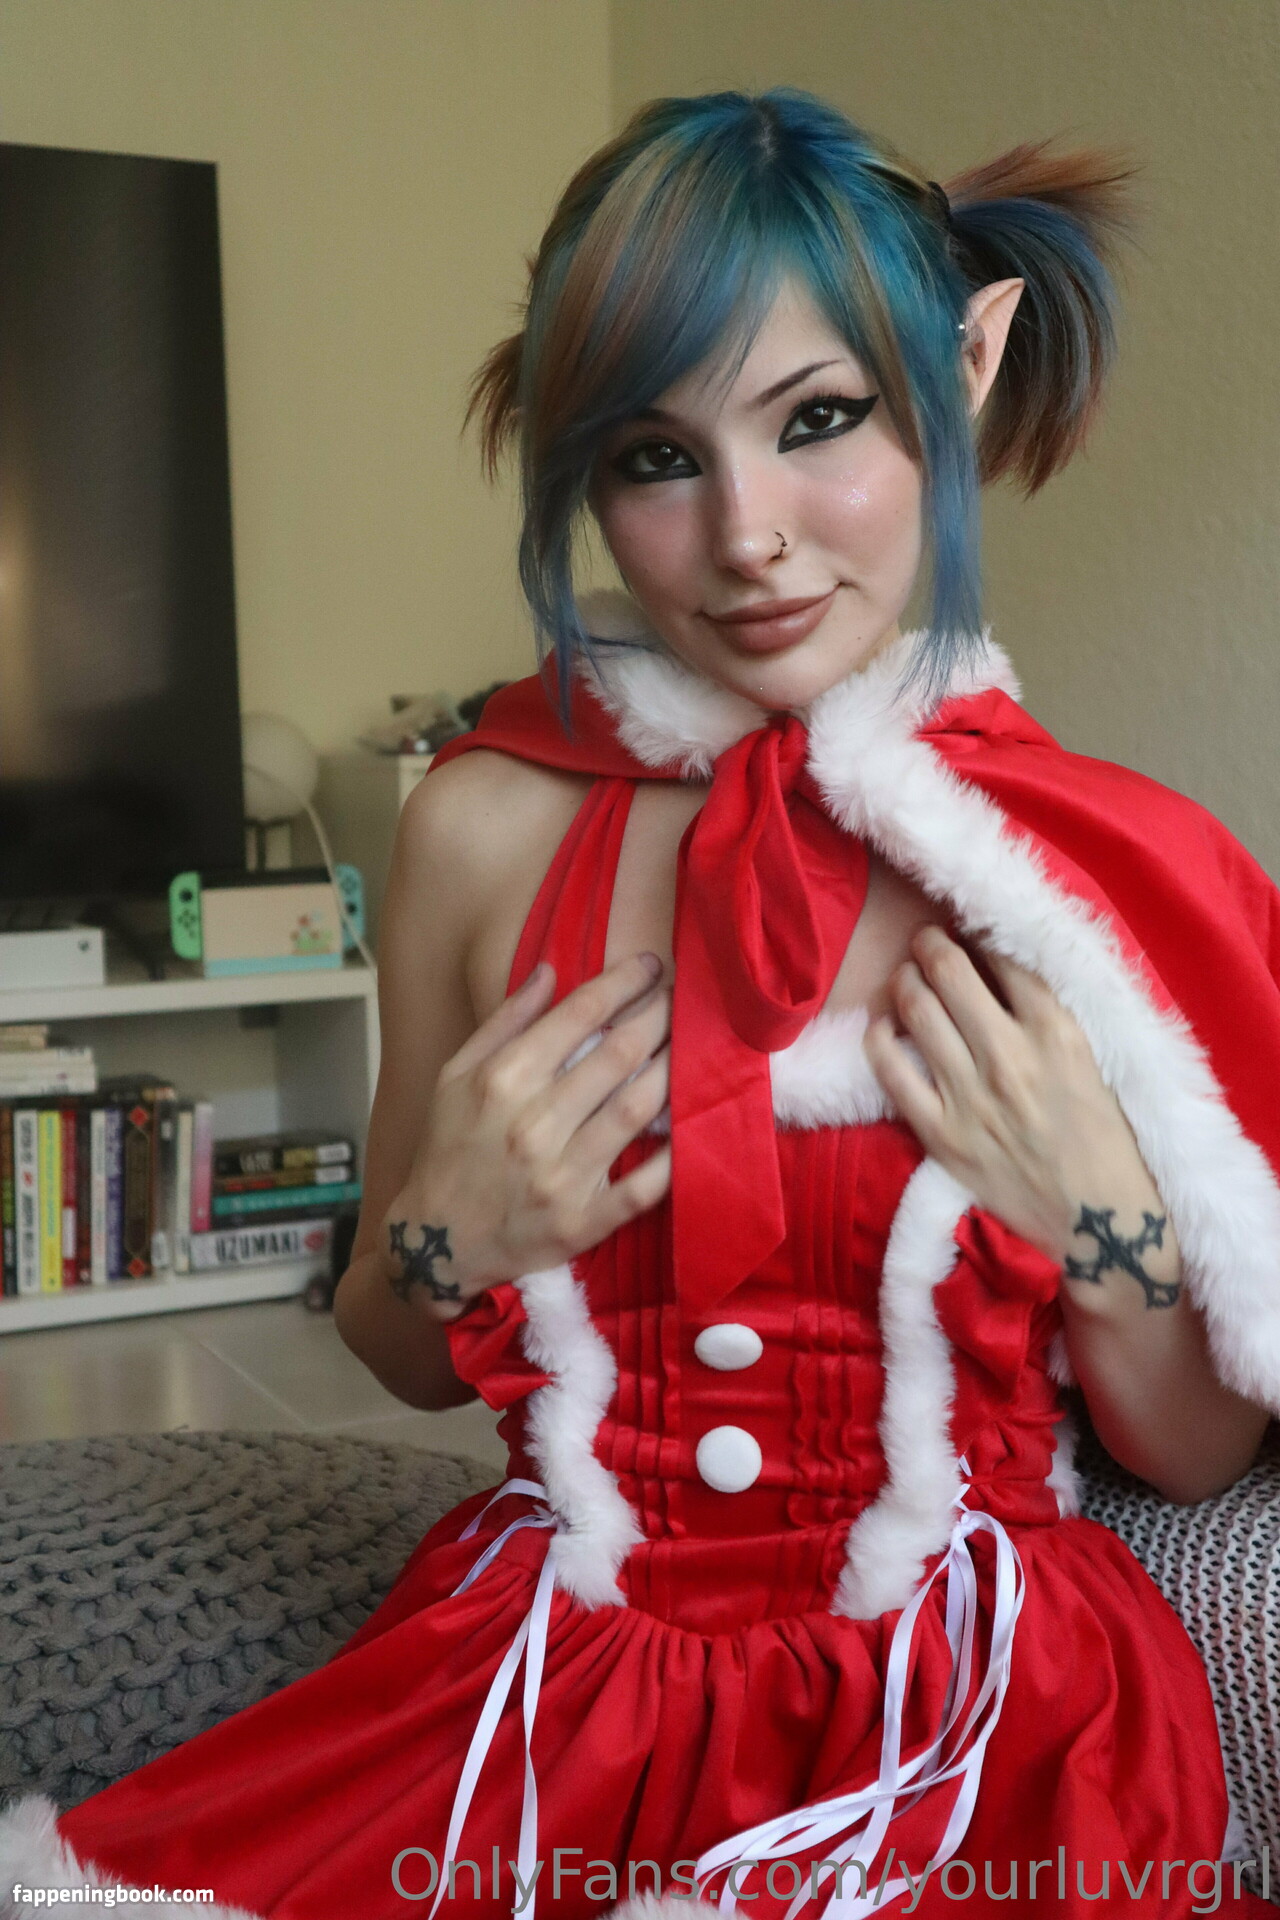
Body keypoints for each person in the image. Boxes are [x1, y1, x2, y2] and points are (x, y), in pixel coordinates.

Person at [5, 85, 1280, 1920]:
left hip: (984, 1729)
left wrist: (1099, 1208)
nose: (747, 536)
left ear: (962, 373)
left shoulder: (1098, 871)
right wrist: (443, 1237)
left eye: (819, 419)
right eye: (657, 457)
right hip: (547, 1700)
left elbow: (1198, 1449)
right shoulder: (475, 829)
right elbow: (400, 1345)